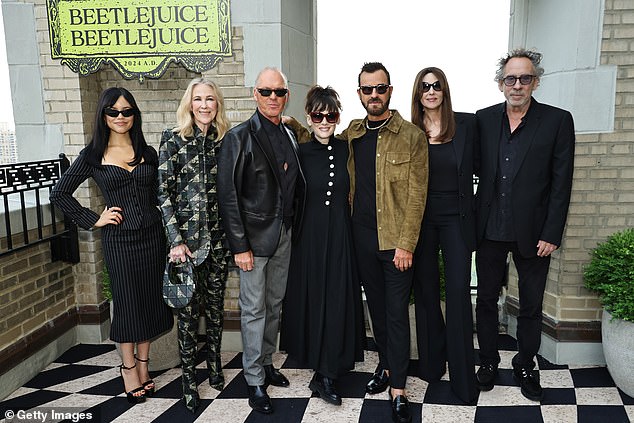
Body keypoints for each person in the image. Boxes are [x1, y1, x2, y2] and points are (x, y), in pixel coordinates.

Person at [50, 87, 173, 404]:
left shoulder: (147, 151)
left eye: (127, 111)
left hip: (152, 237)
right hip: (119, 241)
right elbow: (59, 193)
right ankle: (128, 368)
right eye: (113, 111)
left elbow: (161, 193)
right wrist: (93, 219)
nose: (121, 117)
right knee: (128, 303)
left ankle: (144, 366)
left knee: (147, 302)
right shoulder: (93, 154)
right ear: (103, 115)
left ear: (135, 115)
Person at [474, 48, 575, 401]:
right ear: (501, 83)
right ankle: (486, 362)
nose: (517, 85)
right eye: (510, 78)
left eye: (525, 78)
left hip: (535, 235)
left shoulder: (558, 120)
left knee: (531, 304)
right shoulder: (483, 120)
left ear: (536, 81)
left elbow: (562, 183)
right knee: (486, 299)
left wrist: (552, 232)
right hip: (488, 229)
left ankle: (526, 363)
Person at [217, 67, 306, 415]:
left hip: (284, 235)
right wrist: (240, 246)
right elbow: (228, 196)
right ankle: (254, 379)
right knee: (254, 309)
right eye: (266, 92)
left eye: (279, 92)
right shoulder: (238, 137)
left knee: (274, 304)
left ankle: (267, 363)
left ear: (287, 96)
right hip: (252, 241)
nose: (273, 98)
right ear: (255, 94)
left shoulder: (290, 134)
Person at [344, 62, 427, 423]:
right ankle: (387, 367)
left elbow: (417, 195)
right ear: (359, 93)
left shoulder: (411, 136)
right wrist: (290, 124)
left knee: (395, 314)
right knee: (376, 311)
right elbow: (319, 137)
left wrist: (407, 244)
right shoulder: (352, 133)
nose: (373, 95)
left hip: (396, 244)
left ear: (390, 91)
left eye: (380, 88)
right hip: (361, 240)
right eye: (367, 89)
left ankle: (399, 390)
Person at [279, 85, 365, 406]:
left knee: (337, 300)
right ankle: (322, 370)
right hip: (310, 240)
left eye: (331, 115)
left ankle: (327, 372)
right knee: (316, 302)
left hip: (342, 236)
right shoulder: (299, 153)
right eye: (319, 115)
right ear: (309, 117)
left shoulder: (347, 149)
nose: (325, 120)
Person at [157, 77, 231, 412]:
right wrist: (175, 240)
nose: (204, 105)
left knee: (214, 311)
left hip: (218, 243)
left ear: (218, 105)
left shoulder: (226, 141)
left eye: (210, 99)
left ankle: (214, 367)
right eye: (198, 99)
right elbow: (162, 193)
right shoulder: (172, 140)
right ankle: (189, 381)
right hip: (185, 248)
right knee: (187, 317)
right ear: (189, 103)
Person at [410, 67, 478, 404]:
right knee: (425, 293)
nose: (431, 91)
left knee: (457, 294)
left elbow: (487, 170)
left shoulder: (467, 124)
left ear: (444, 90)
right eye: (425, 86)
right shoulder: (410, 131)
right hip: (422, 221)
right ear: (418, 93)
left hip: (457, 220)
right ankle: (432, 367)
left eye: (436, 86)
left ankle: (464, 378)